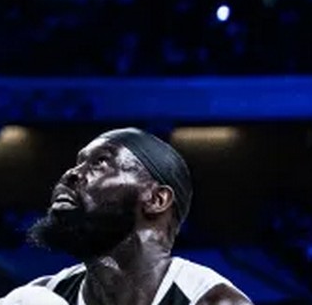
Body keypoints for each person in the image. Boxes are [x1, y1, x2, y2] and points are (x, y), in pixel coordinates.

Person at [15, 129, 251, 305]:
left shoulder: (214, 301)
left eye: (100, 162)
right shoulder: (44, 295)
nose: (71, 174)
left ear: (156, 199)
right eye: (78, 163)